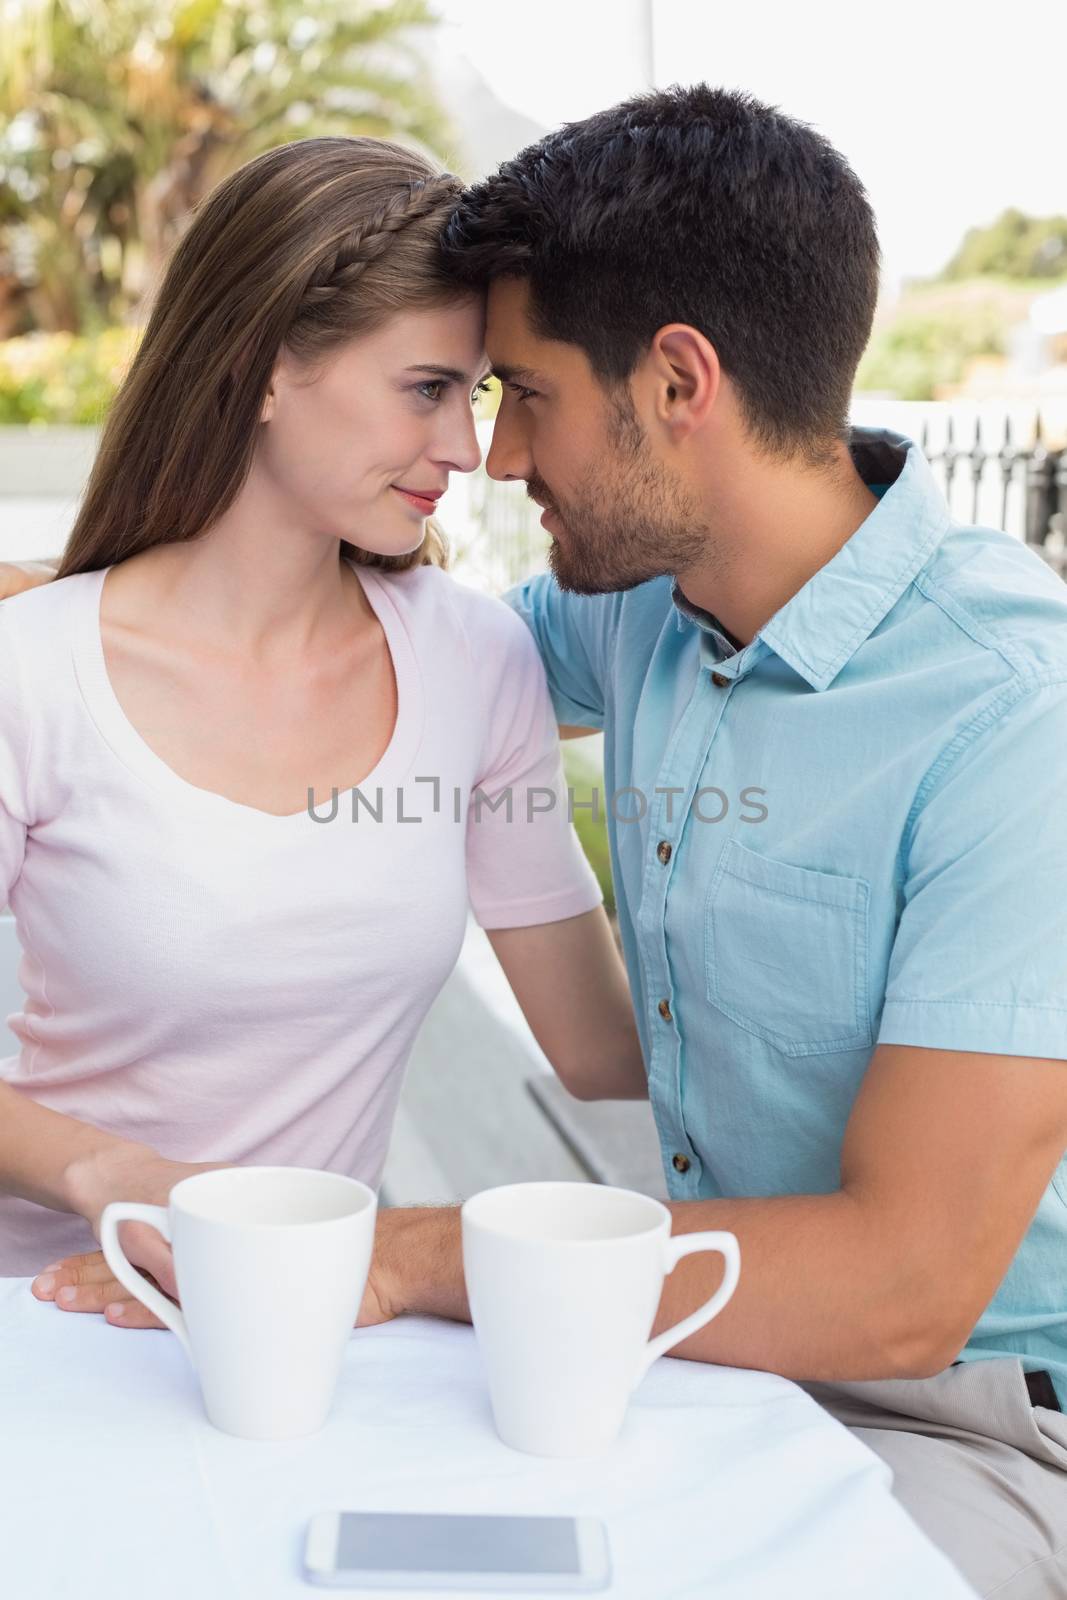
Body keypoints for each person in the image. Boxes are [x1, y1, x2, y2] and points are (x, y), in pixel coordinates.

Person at [13, 84, 1067, 1597]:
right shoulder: (628, 607)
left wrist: (406, 1256)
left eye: (518, 395)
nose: (492, 461)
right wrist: (77, 602)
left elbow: (904, 1291)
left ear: (677, 385)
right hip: (663, 1339)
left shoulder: (1008, 711)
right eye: (446, 392)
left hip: (944, 1401)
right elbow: (278, 633)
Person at [0, 135, 646, 1291]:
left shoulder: (473, 660)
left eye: (477, 393)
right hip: (47, 1316)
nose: (463, 449)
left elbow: (600, 1049)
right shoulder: (35, 673)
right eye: (426, 390)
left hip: (302, 1325)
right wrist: (112, 1172)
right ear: (261, 368)